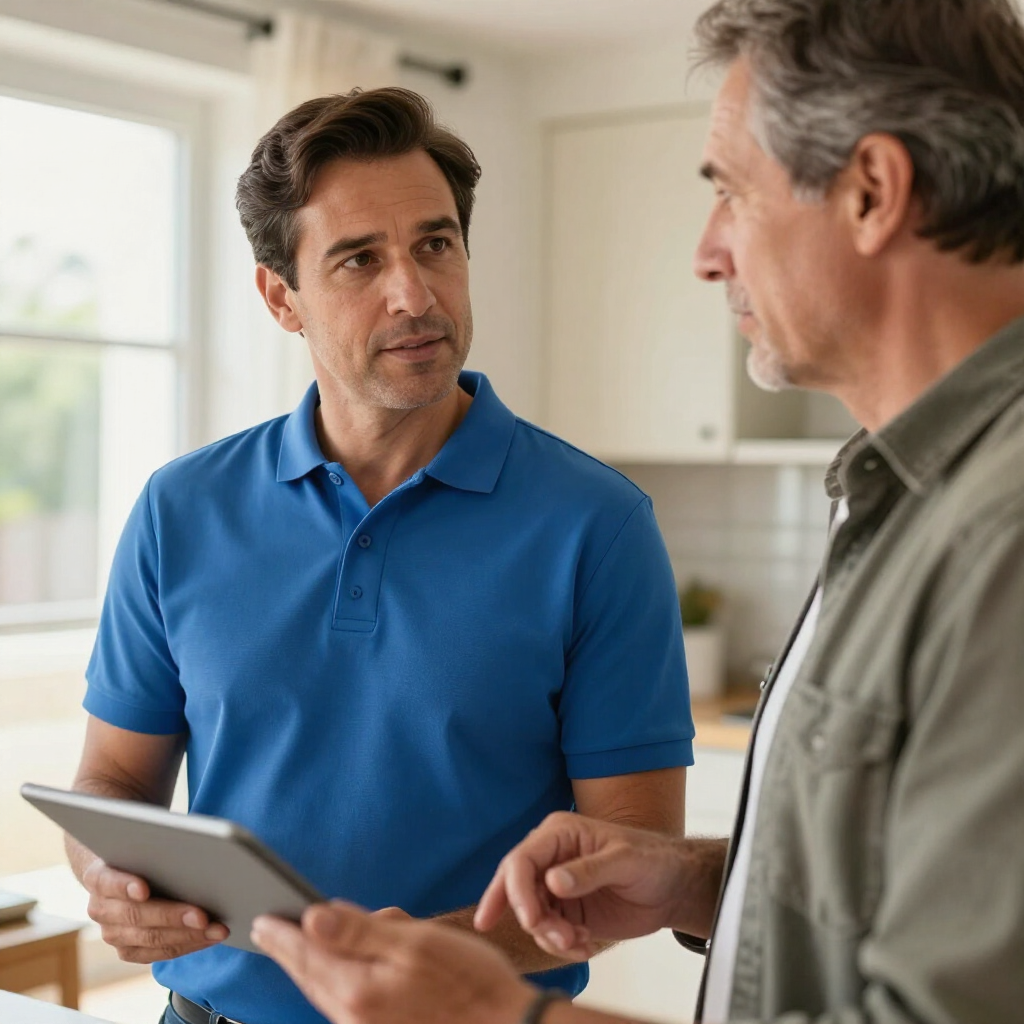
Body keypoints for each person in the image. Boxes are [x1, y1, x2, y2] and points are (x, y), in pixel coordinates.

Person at [248, 1, 1024, 1022]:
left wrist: (494, 1014)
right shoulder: (900, 495)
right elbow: (893, 891)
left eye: (730, 194)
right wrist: (704, 878)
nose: (707, 253)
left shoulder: (998, 533)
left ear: (872, 193)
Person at [66, 88, 696, 1024]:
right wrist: (113, 876)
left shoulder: (597, 524)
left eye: (436, 244)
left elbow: (634, 847)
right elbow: (114, 779)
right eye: (360, 259)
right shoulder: (180, 508)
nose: (415, 293)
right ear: (281, 297)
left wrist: (433, 964)